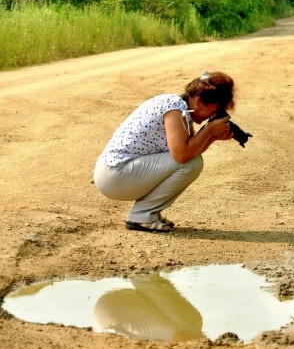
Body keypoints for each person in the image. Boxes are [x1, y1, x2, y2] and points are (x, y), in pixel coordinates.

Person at [94, 71, 235, 232]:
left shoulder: (179, 107)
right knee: (191, 164)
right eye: (213, 110)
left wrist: (212, 137)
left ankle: (146, 214)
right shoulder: (175, 108)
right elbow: (182, 156)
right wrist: (209, 131)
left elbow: (190, 152)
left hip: (116, 173)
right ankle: (142, 215)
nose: (212, 116)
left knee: (192, 162)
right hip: (115, 174)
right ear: (198, 101)